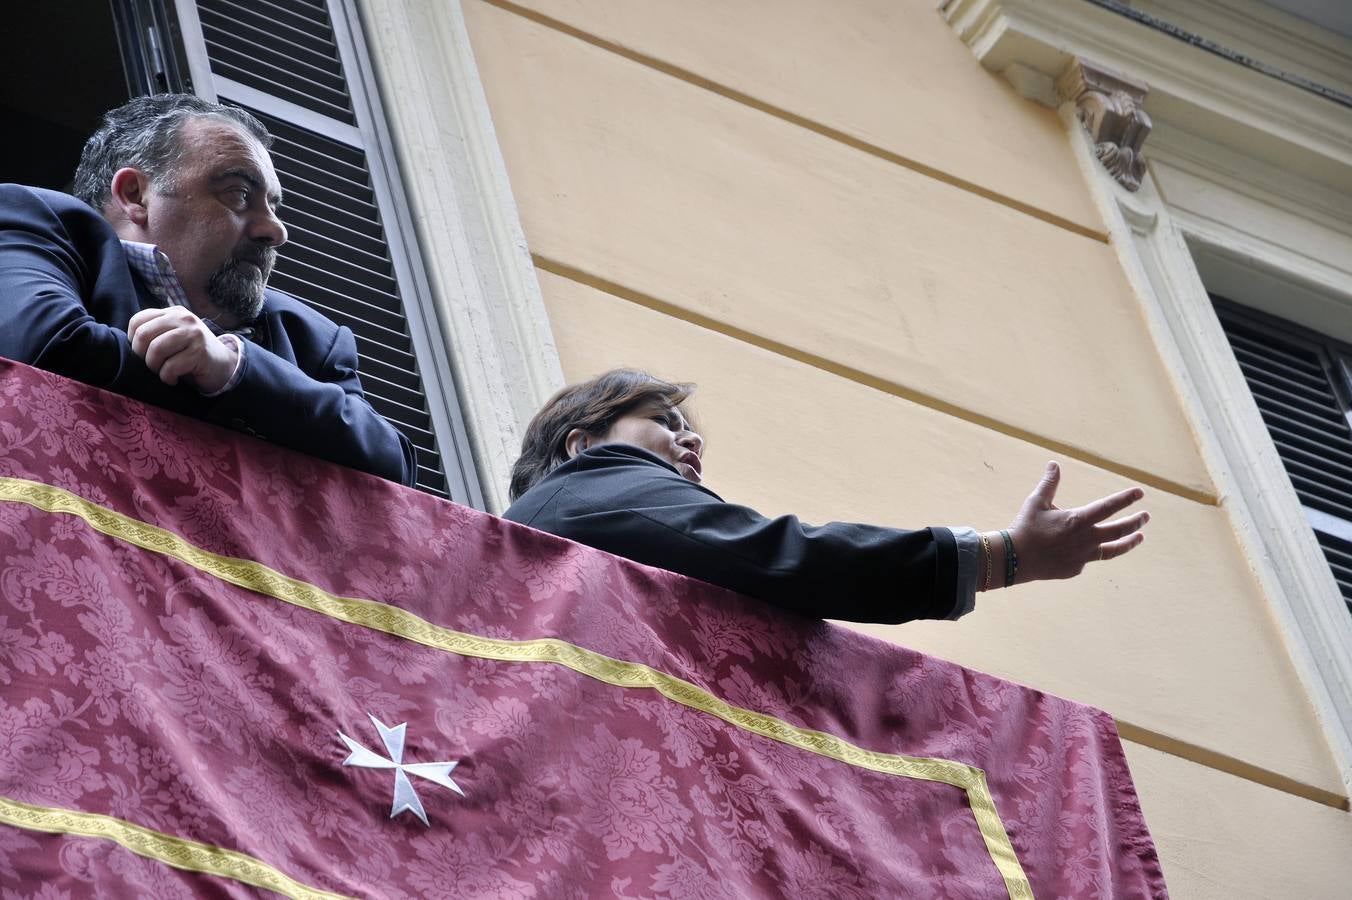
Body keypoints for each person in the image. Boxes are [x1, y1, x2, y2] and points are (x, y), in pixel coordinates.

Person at [503, 369, 1149, 624]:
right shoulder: (595, 485)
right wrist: (1004, 557)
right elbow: (781, 557)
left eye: (692, 433)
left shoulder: (554, 521)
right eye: (666, 425)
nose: (689, 443)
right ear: (581, 445)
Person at [0, 94, 415, 486]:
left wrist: (232, 368)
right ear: (135, 194)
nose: (276, 230)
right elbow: (46, 345)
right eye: (238, 194)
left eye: (273, 206)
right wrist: (236, 393)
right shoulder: (41, 223)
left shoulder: (310, 337)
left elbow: (391, 465)